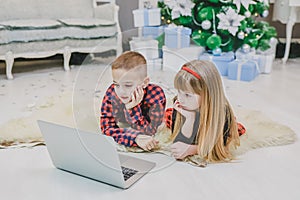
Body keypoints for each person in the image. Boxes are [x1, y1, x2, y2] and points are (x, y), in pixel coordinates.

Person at [164, 60, 246, 163]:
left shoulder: (222, 114)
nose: (181, 99)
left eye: (188, 95)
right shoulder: (179, 104)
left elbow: (219, 148)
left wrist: (192, 149)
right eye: (179, 92)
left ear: (207, 94)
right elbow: (180, 142)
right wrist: (189, 119)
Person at [100, 51, 166, 151]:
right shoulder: (112, 93)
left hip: (144, 121)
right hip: (124, 122)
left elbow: (150, 132)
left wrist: (132, 108)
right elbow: (106, 128)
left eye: (128, 85)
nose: (121, 91)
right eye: (116, 84)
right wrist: (134, 138)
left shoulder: (156, 95)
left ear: (145, 83)